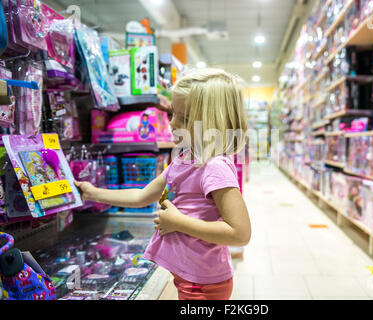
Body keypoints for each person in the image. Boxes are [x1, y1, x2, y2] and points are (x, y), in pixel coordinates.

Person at [74, 68, 251, 300]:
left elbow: (240, 233)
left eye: (184, 118)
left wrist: (179, 222)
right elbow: (142, 196)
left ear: (213, 125)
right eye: (173, 113)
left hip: (205, 283)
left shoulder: (214, 166)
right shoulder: (185, 159)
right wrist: (93, 193)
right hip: (189, 275)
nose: (172, 123)